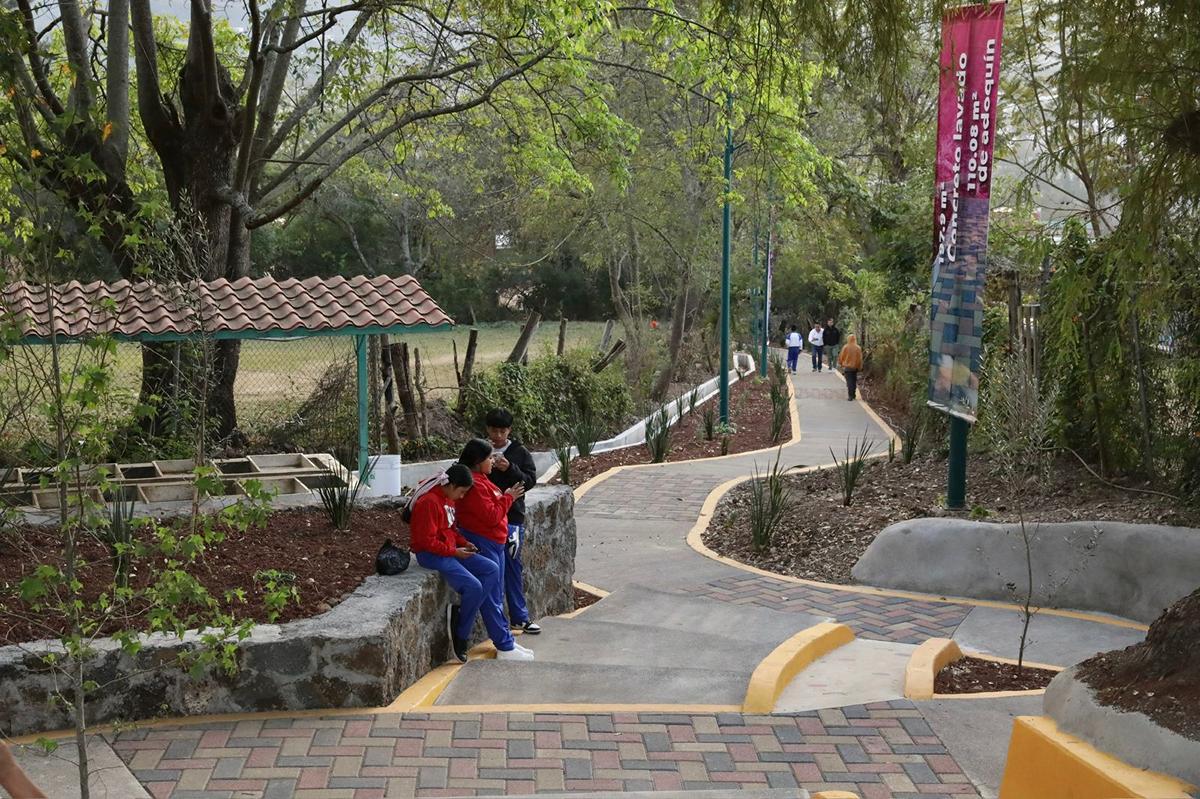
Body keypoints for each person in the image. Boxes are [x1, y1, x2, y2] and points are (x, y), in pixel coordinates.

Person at [406, 463, 532, 662]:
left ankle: (461, 615)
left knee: (491, 568)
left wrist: (464, 543)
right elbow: (425, 541)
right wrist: (454, 551)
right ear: (451, 485)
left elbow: (450, 529)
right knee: (474, 586)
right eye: (462, 492)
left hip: (449, 550)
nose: (463, 497)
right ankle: (461, 633)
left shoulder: (448, 499)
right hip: (432, 554)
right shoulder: (429, 502)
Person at [455, 438, 536, 660]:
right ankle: (503, 644)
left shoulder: (482, 480)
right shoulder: (474, 485)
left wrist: (507, 496)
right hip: (482, 542)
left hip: (495, 542)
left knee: (497, 594)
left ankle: (506, 640)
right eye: (490, 457)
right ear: (478, 461)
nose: (494, 461)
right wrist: (509, 497)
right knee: (492, 597)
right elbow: (490, 515)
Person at [484, 408, 542, 635]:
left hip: (512, 518)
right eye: (494, 430)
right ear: (487, 429)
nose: (498, 435)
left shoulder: (519, 452)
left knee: (512, 566)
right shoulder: (481, 450)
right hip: (486, 517)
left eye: (502, 431)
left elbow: (529, 481)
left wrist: (510, 469)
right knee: (492, 569)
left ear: (509, 430)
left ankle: (520, 617)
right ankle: (497, 622)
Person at [838, 333, 864, 400]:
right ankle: (853, 394)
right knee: (854, 380)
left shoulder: (845, 347)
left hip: (847, 368)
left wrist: (840, 363)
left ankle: (850, 396)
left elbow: (841, 356)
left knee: (849, 381)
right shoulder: (858, 348)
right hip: (855, 367)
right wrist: (860, 367)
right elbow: (860, 359)